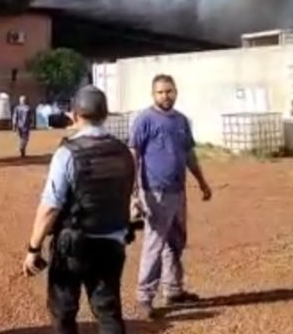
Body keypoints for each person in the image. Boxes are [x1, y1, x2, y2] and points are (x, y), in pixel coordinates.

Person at [22, 86, 136, 334]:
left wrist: (33, 248)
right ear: (105, 114)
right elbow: (127, 195)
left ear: (74, 115)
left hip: (73, 245)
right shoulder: (124, 152)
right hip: (112, 243)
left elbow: (50, 207)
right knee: (108, 312)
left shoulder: (67, 154)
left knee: (63, 312)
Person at [131, 74, 211, 319]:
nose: (165, 96)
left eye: (169, 91)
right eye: (160, 92)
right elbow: (134, 155)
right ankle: (144, 297)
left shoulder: (182, 121)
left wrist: (202, 182)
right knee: (155, 244)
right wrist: (133, 193)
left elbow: (188, 155)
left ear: (176, 91)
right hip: (154, 191)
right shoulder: (144, 120)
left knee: (175, 241)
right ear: (153, 94)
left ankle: (173, 289)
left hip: (178, 191)